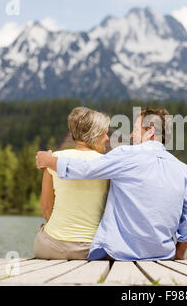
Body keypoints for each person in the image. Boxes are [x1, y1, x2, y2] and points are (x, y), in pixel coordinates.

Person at [36, 107, 187, 261]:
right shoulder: (182, 169)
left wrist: (50, 161)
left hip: (121, 256)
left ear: (150, 130)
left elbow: (86, 169)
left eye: (135, 129)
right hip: (164, 255)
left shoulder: (125, 155)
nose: (131, 135)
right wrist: (179, 253)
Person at [33, 107, 110, 260]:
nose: (107, 138)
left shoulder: (54, 159)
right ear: (94, 134)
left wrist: (65, 237)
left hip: (50, 248)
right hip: (92, 250)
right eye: (104, 133)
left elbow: (46, 208)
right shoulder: (107, 164)